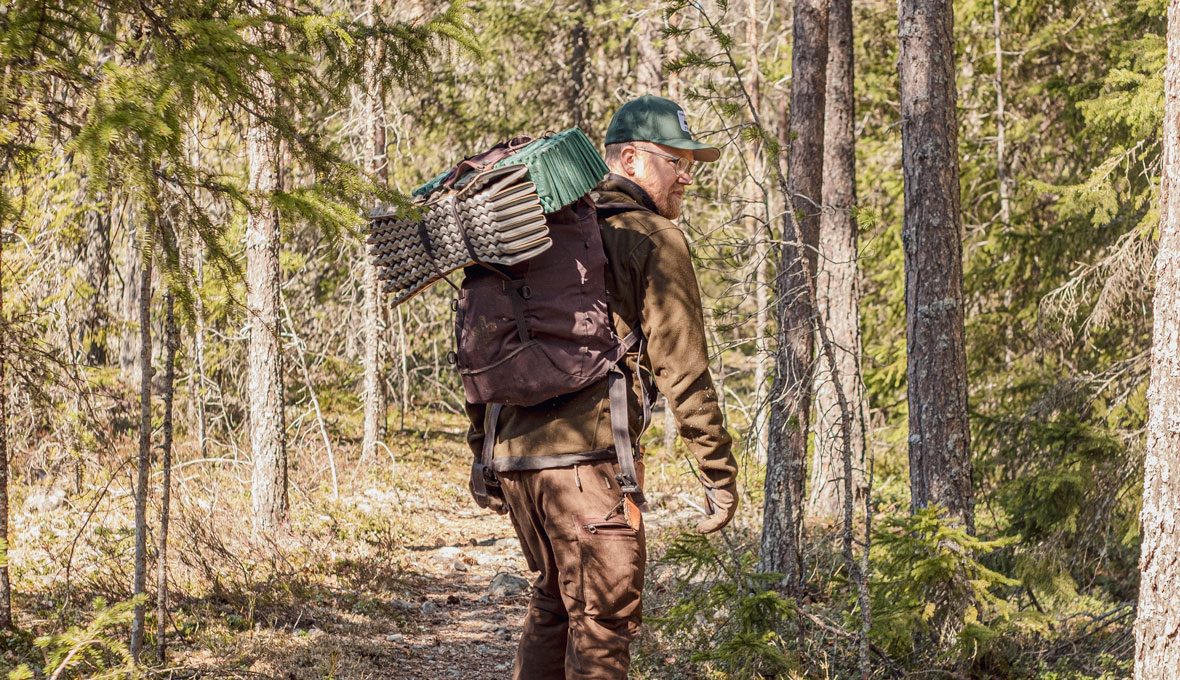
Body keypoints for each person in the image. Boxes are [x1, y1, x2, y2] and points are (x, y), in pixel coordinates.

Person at [465, 94, 739, 680]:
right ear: (632, 160)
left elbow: (483, 343)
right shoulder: (650, 236)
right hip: (587, 466)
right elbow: (682, 366)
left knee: (553, 604)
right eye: (676, 159)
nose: (688, 174)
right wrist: (717, 471)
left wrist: (481, 454)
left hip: (514, 459)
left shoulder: (537, 226)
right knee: (603, 624)